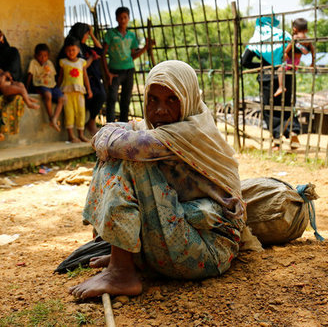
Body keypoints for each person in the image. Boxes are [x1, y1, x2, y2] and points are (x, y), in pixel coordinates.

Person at [69, 60, 250, 299]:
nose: (160, 110)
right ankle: (124, 257)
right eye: (153, 99)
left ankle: (122, 271)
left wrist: (110, 136)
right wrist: (112, 135)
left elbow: (119, 143)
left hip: (207, 251)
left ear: (187, 98)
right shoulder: (165, 128)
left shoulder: (188, 131)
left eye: (172, 100)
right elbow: (119, 133)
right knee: (125, 152)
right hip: (180, 238)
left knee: (130, 158)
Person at [241, 16, 301, 151]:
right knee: (288, 104)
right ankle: (292, 131)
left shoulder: (256, 40)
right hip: (287, 75)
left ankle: (277, 140)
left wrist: (262, 64)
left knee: (270, 108)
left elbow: (244, 61)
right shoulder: (284, 35)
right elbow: (296, 52)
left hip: (267, 77)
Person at [102, 7, 151, 123]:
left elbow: (133, 55)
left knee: (126, 99)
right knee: (112, 98)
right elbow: (103, 54)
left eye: (125, 17)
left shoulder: (131, 36)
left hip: (129, 69)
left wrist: (145, 48)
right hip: (114, 71)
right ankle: (110, 125)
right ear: (116, 19)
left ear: (128, 18)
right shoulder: (110, 34)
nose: (123, 20)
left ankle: (124, 125)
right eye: (120, 17)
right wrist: (107, 72)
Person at [67, 23, 106, 135]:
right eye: (86, 34)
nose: (87, 36)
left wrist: (92, 34)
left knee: (101, 95)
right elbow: (80, 65)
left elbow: (100, 50)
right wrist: (91, 58)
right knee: (96, 96)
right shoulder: (74, 48)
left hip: (94, 80)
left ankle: (91, 121)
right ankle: (90, 123)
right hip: (81, 81)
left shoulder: (85, 47)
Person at [58, 39, 92, 142]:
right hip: (67, 92)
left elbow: (85, 76)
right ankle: (71, 136)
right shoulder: (63, 62)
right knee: (69, 113)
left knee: (80, 113)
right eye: (68, 50)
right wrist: (57, 88)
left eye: (73, 50)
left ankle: (81, 135)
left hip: (79, 92)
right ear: (65, 51)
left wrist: (89, 89)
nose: (71, 52)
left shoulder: (82, 62)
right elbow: (60, 77)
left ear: (78, 50)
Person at [26, 43, 66, 132]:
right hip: (40, 84)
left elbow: (54, 76)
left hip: (51, 85)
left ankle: (54, 119)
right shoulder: (33, 63)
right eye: (40, 56)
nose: (43, 58)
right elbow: (30, 75)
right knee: (48, 95)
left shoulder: (49, 63)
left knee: (62, 98)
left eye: (45, 56)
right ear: (35, 55)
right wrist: (27, 89)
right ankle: (51, 117)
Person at [274, 18, 315, 98]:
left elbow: (286, 50)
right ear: (306, 30)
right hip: (297, 62)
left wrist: (284, 55)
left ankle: (281, 87)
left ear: (294, 29)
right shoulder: (308, 40)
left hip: (290, 60)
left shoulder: (295, 38)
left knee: (280, 70)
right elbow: (313, 51)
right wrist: (312, 63)